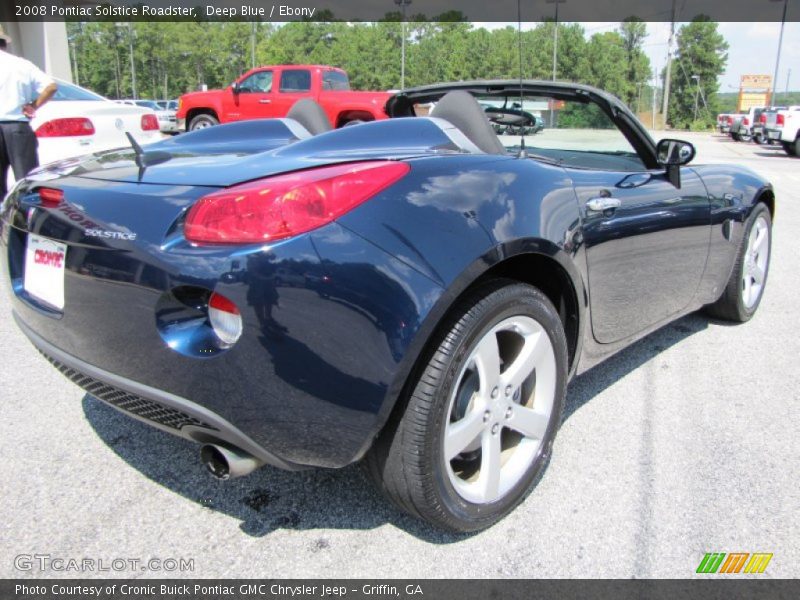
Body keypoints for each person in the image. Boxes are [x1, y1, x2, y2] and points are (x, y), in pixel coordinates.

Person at [0, 26, 58, 199]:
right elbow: (51, 86)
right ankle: (26, 218)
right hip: (18, 127)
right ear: (5, 43)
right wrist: (33, 105)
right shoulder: (21, 64)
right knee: (27, 181)